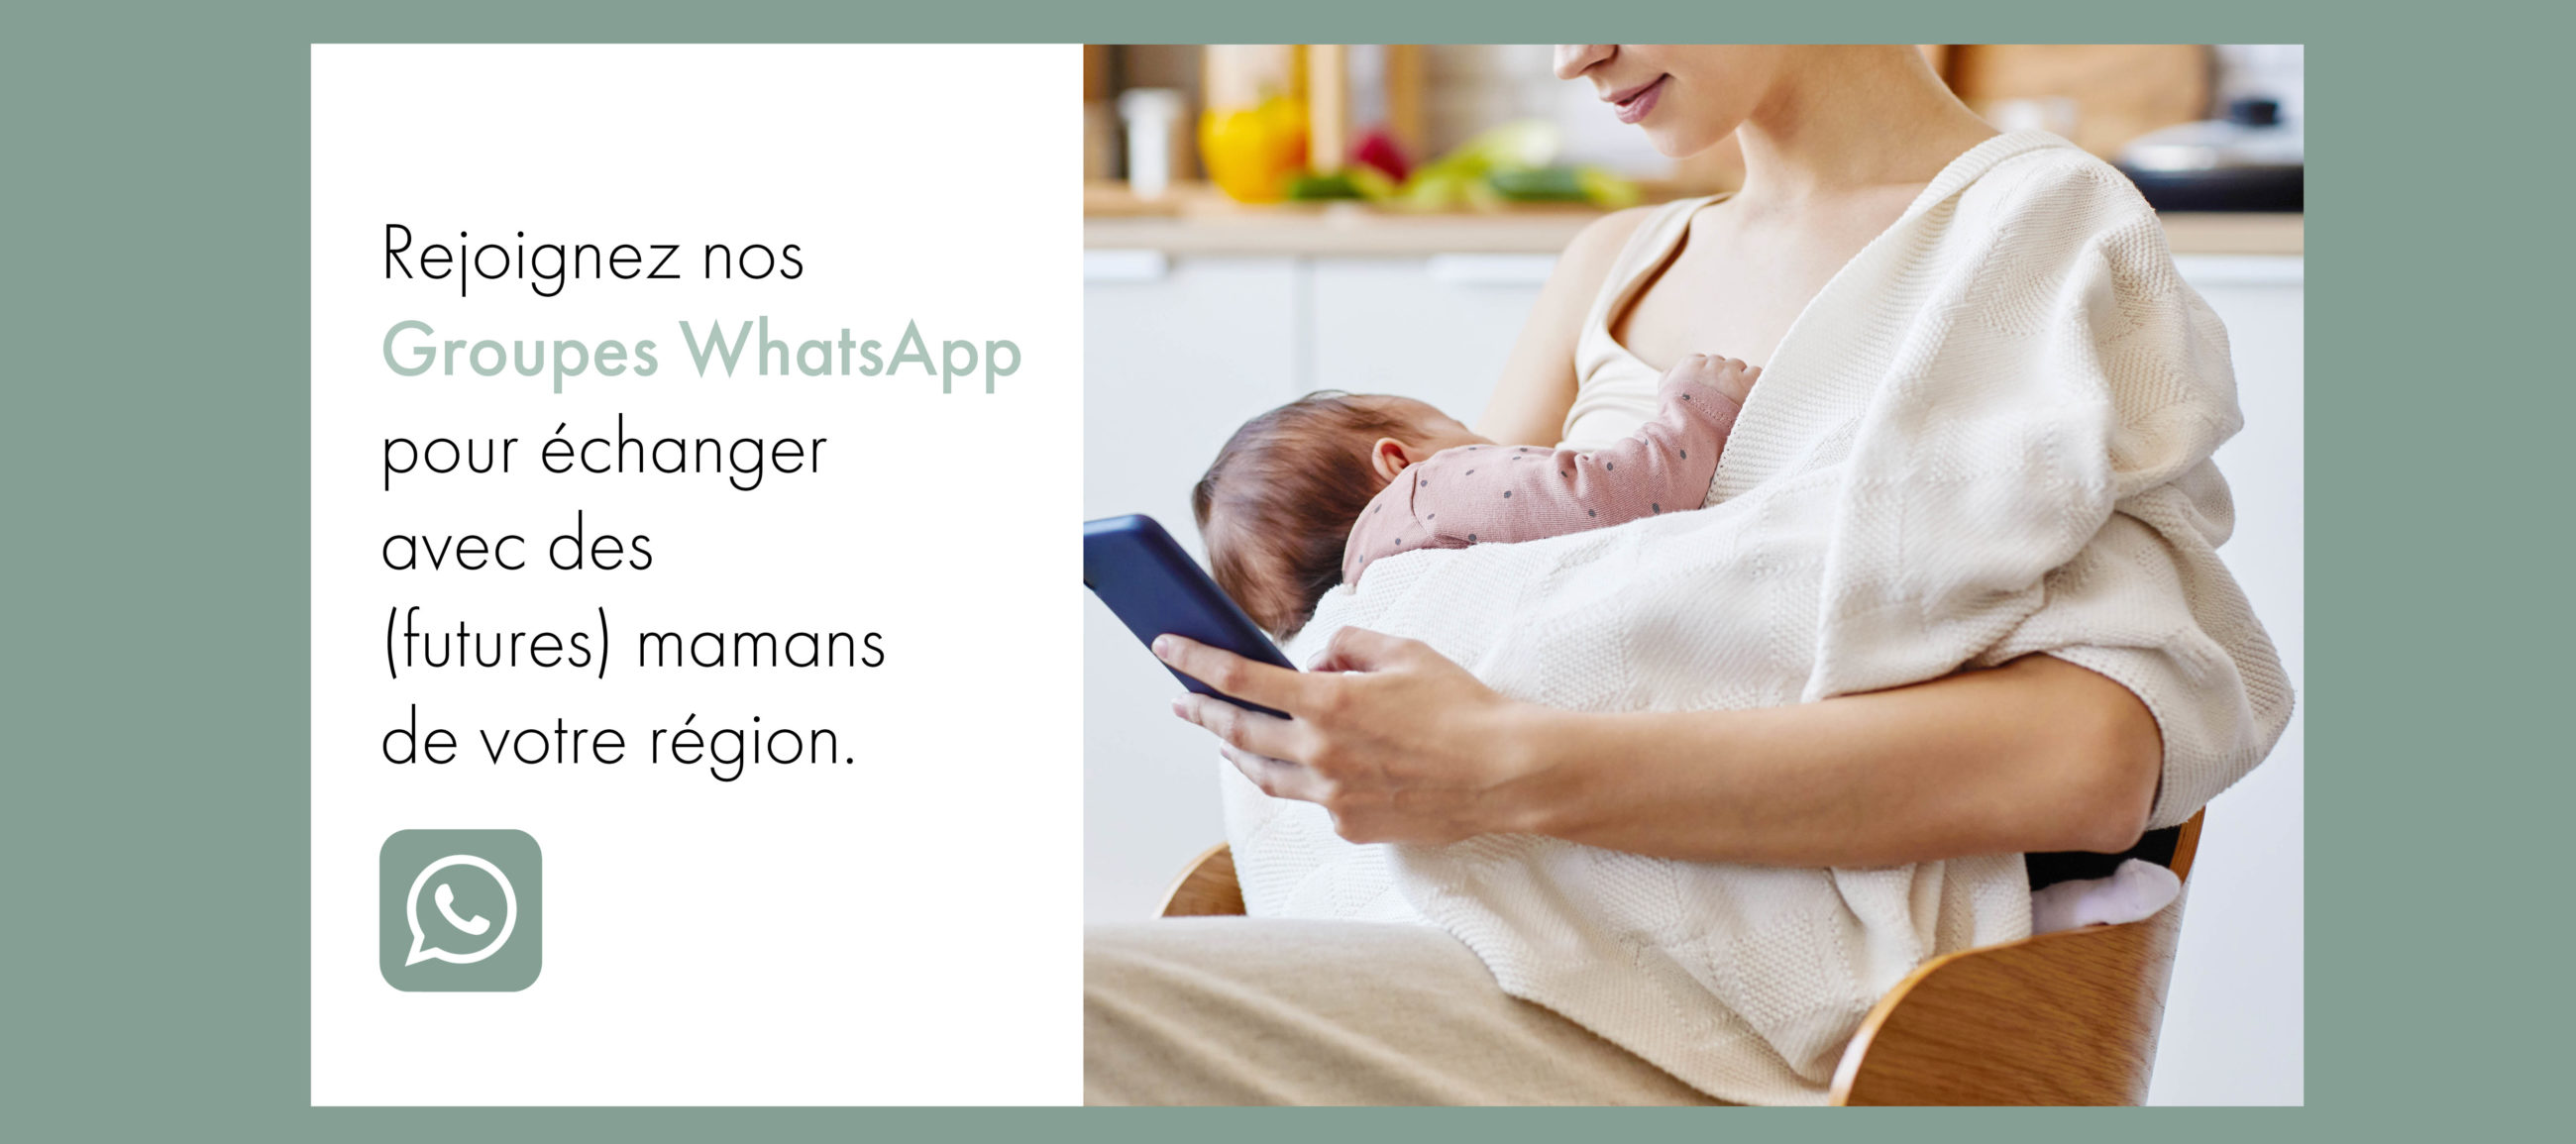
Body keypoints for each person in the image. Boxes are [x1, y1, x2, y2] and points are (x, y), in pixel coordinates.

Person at [1087, 45, 2291, 1106]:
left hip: (1718, 1020)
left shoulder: (2028, 237)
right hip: (1493, 931)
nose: (1571, 56)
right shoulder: (1614, 264)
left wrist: (1496, 765)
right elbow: (1454, 617)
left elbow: (2087, 765)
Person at [1193, 354, 1756, 636]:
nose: (1493, 448)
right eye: (1455, 426)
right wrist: (1699, 407)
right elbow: (1611, 497)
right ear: (1396, 460)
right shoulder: (1427, 493)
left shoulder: (1375, 592)